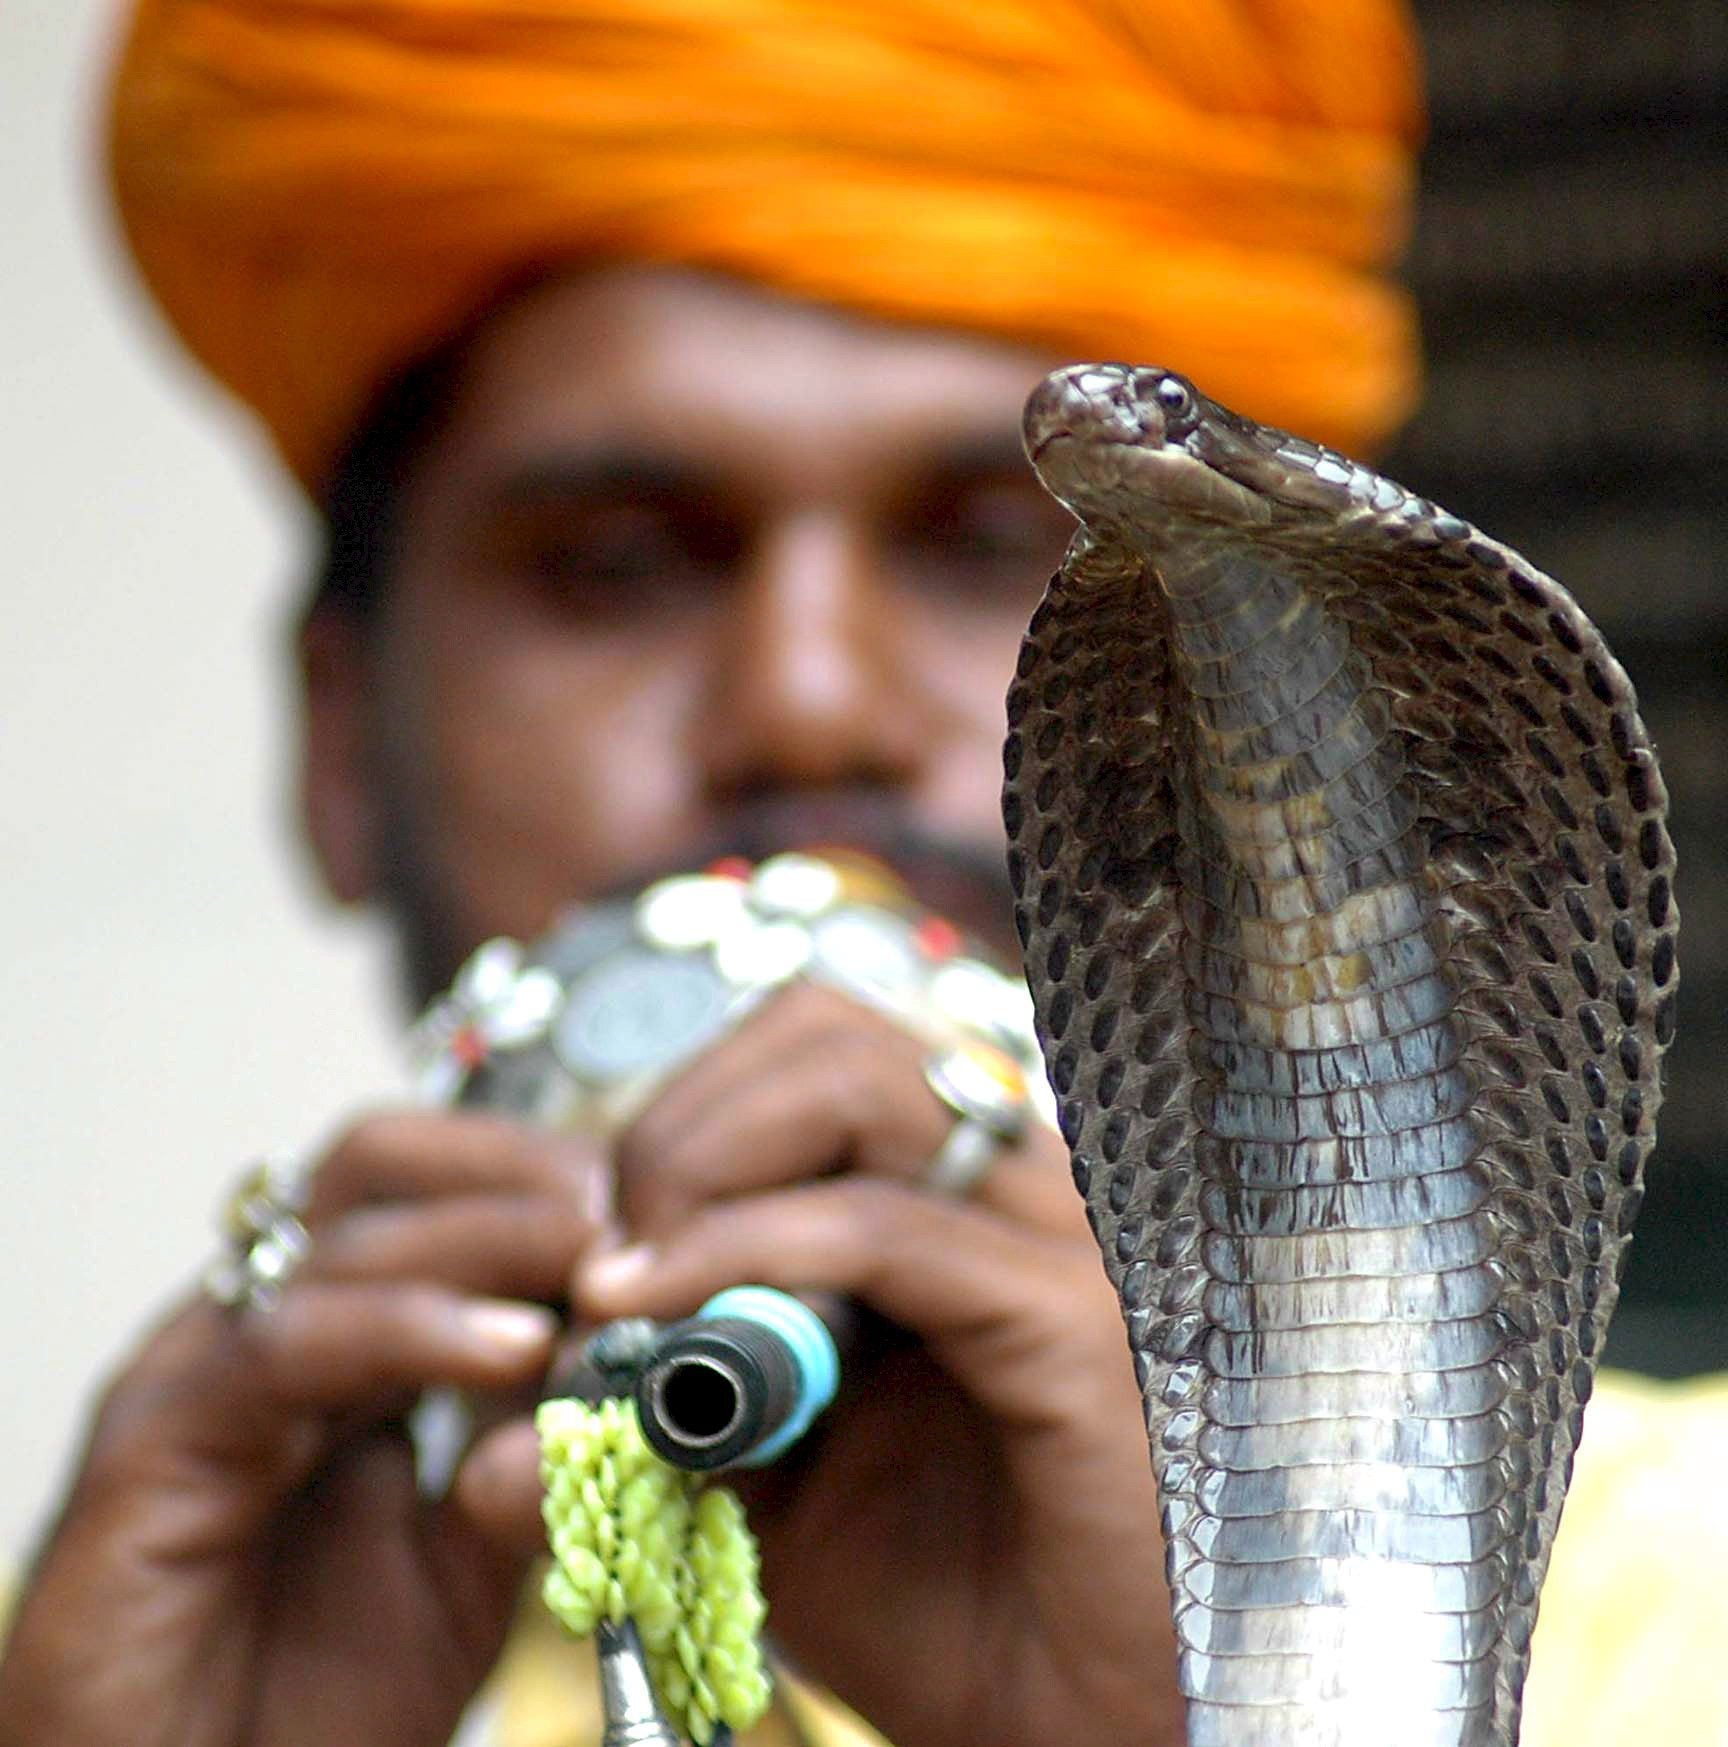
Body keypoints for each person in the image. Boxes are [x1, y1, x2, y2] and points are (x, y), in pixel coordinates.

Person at [1, 4, 1722, 1746]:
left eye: (987, 547)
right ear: (343, 741)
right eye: (612, 569)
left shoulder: (1694, 1607)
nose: (806, 705)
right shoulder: (127, 1650)